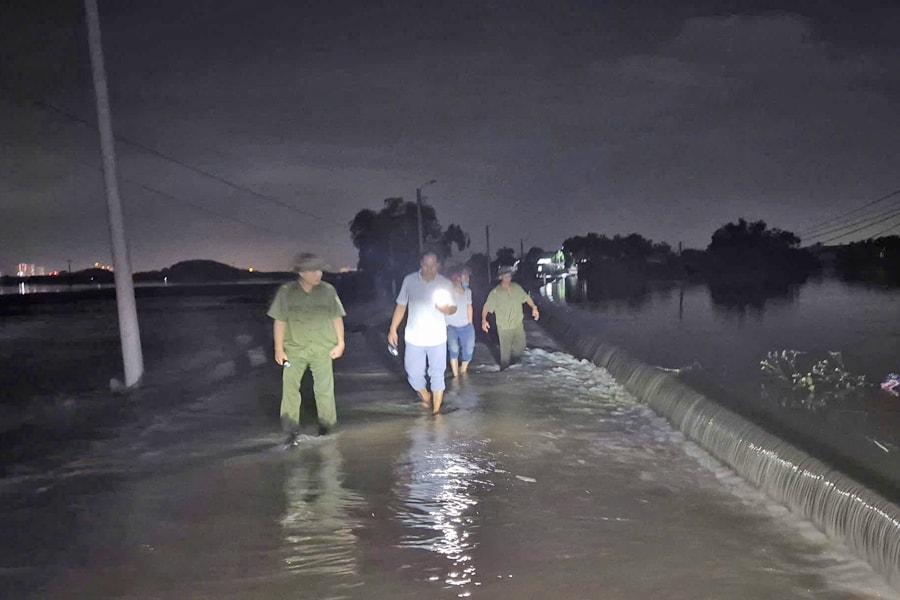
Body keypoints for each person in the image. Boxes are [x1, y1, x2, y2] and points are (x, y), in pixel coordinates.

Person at [268, 253, 346, 446]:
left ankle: (327, 427)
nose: (318, 274)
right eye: (313, 270)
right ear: (301, 273)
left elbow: (337, 317)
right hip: (294, 349)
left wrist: (341, 343)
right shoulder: (286, 292)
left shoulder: (328, 291)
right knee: (290, 389)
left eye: (320, 269)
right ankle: (290, 429)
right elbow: (279, 320)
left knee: (325, 390)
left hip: (322, 348)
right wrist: (279, 349)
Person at [388, 251, 457, 414]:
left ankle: (436, 413)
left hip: (437, 338)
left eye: (433, 266)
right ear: (421, 264)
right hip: (414, 337)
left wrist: (446, 309)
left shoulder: (445, 284)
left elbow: (453, 308)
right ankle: (426, 397)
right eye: (426, 265)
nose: (429, 269)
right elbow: (401, 305)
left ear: (438, 266)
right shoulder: (409, 280)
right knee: (413, 374)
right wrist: (393, 329)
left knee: (437, 375)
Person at [481, 265, 539, 370]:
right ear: (500, 278)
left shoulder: (516, 287)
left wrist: (534, 308)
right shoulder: (495, 293)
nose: (509, 278)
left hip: (517, 326)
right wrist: (483, 320)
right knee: (505, 355)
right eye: (506, 276)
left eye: (510, 276)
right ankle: (504, 373)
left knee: (520, 348)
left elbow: (526, 298)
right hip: (504, 328)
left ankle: (512, 367)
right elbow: (487, 307)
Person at [446, 266, 475, 377]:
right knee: (453, 350)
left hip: (466, 326)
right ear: (457, 278)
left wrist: (470, 324)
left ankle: (463, 371)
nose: (468, 279)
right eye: (465, 276)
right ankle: (456, 377)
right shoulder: (448, 292)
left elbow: (469, 307)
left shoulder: (468, 292)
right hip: (451, 326)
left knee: (468, 351)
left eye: (468, 276)